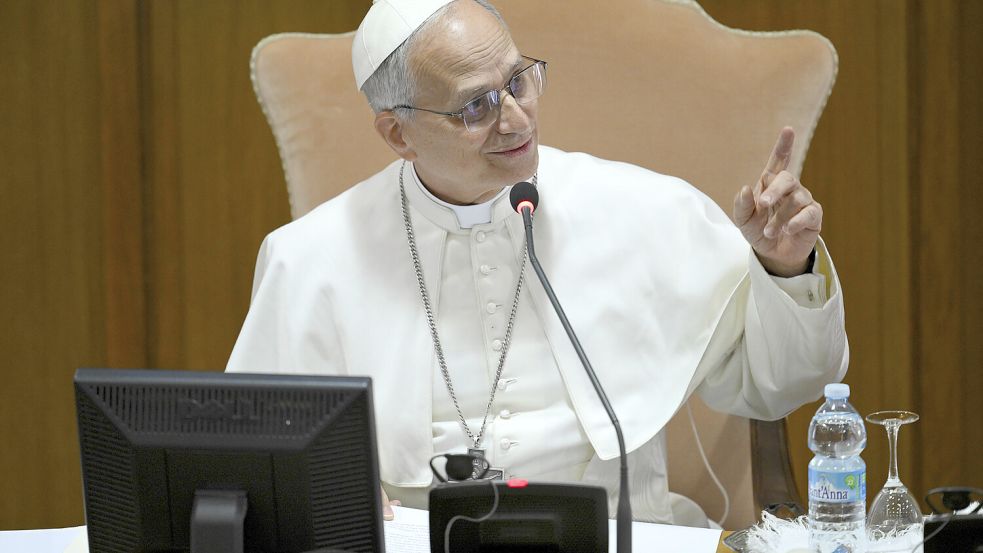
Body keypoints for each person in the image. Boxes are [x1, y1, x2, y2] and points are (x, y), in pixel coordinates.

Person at [227, 0, 848, 527]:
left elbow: (778, 387)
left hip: (617, 530)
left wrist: (784, 270)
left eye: (518, 80)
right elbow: (258, 460)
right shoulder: (310, 259)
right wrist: (327, 489)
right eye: (476, 106)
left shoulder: (645, 210)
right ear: (398, 134)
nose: (516, 119)